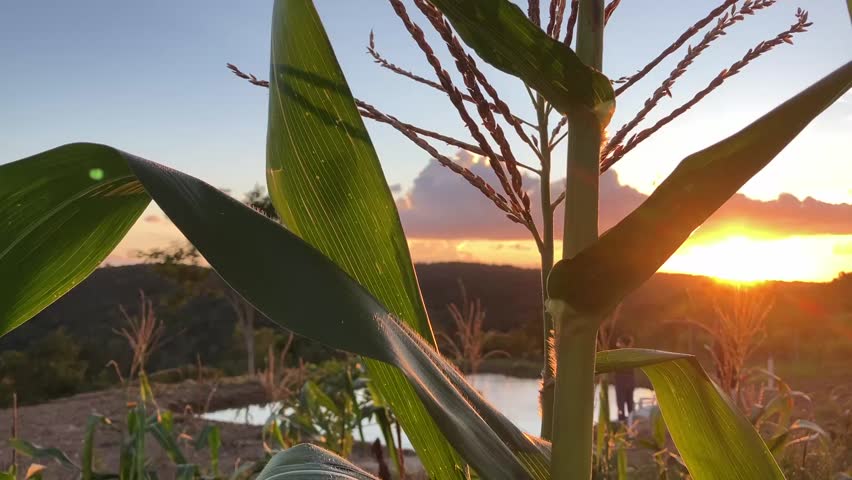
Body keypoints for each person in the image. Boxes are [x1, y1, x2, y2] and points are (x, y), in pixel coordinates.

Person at [614, 335, 636, 421]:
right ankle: (630, 422)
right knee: (629, 404)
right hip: (630, 381)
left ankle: (622, 423)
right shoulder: (631, 354)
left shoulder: (620, 354)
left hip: (622, 382)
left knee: (621, 404)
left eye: (619, 343)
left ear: (623, 344)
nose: (617, 345)